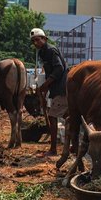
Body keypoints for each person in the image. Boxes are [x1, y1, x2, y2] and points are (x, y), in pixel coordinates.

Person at [30, 28, 68, 157]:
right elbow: (49, 72)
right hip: (55, 88)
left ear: (44, 39)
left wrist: (45, 85)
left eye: (38, 39)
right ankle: (70, 146)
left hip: (62, 88)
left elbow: (59, 69)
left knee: (53, 116)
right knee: (68, 116)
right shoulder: (42, 53)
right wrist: (45, 88)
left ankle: (54, 149)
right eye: (33, 41)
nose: (36, 43)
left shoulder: (51, 50)